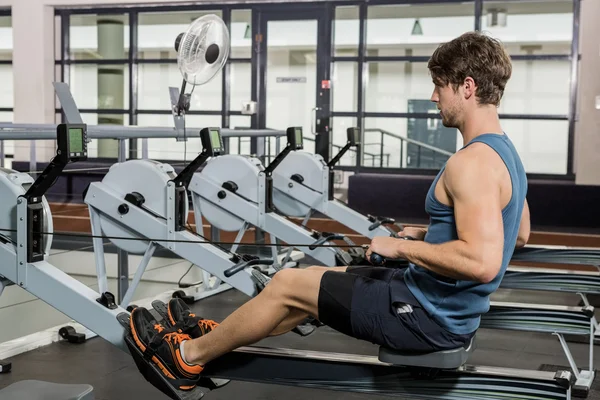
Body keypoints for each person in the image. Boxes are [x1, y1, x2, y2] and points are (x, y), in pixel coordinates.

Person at [128, 31, 530, 391]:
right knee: (311, 280)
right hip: (434, 302)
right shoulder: (505, 154)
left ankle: (186, 359)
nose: (433, 97)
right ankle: (217, 338)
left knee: (286, 283)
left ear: (467, 86)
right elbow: (517, 233)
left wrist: (400, 249)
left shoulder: (471, 163)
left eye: (439, 85)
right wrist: (427, 236)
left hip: (426, 318)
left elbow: (482, 262)